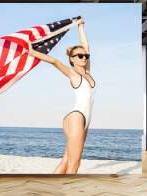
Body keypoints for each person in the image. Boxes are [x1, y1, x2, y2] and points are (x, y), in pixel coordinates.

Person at [28, 18, 96, 174]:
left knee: (66, 160)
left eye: (85, 56)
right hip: (76, 117)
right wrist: (32, 52)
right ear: (72, 59)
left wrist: (80, 27)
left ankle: (52, 190)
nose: (84, 58)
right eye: (79, 56)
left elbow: (86, 47)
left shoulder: (87, 73)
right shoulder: (73, 74)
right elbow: (54, 61)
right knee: (75, 163)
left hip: (85, 120)